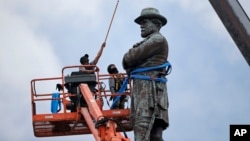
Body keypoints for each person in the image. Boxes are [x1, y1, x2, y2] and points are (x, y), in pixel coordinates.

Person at [122, 7, 170, 141]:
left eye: (145, 22)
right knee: (154, 136)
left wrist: (129, 60)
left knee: (142, 133)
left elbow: (129, 58)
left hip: (149, 93)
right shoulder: (152, 40)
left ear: (157, 24)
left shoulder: (157, 40)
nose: (141, 26)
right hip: (152, 91)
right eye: (140, 23)